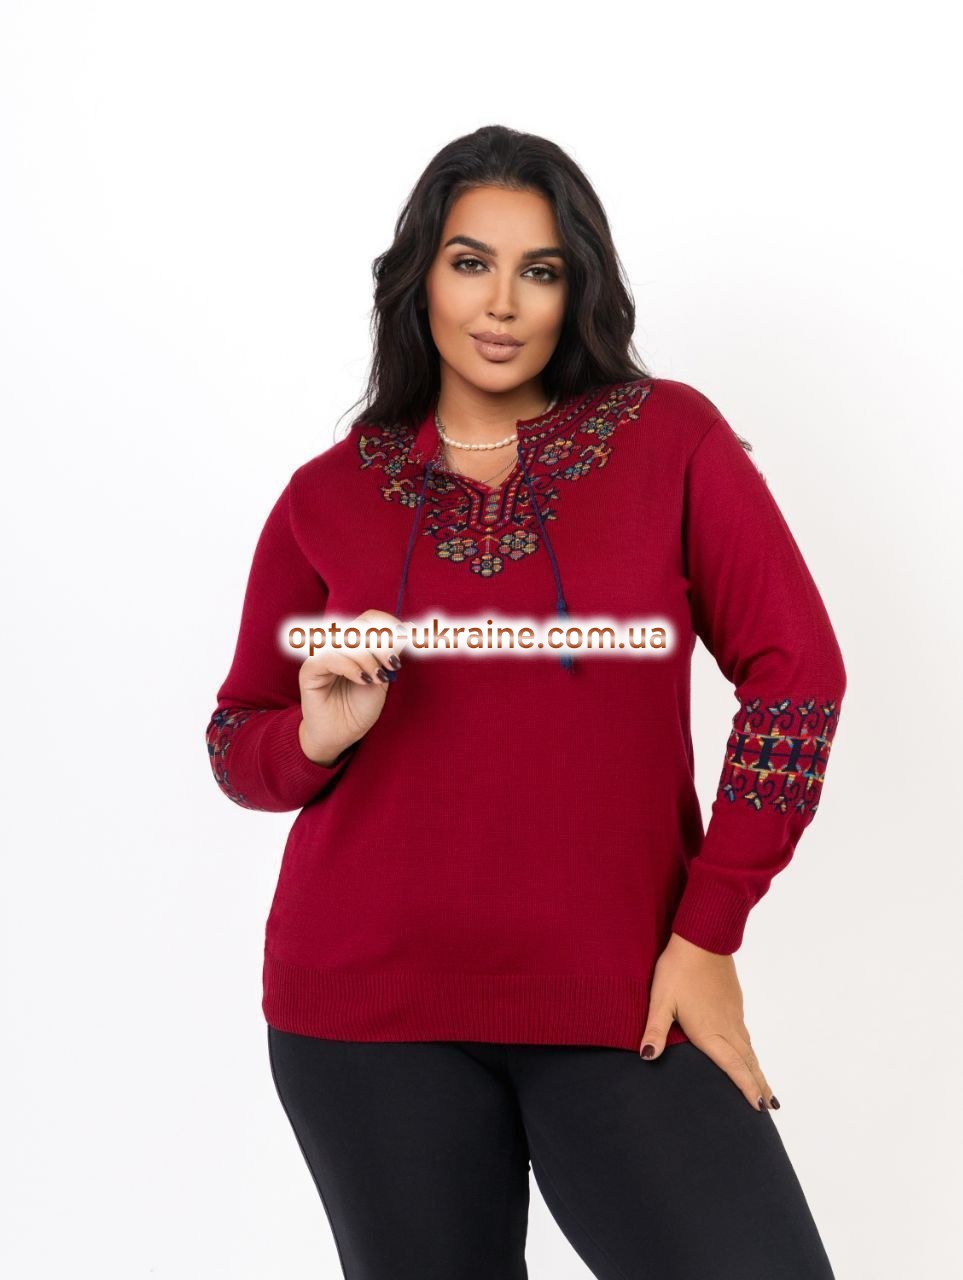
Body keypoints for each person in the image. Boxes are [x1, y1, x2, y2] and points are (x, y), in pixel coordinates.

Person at [205, 124, 846, 1279]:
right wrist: (315, 733)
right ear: (420, 278)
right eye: (470, 262)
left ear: (576, 288)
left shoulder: (671, 441)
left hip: (627, 999)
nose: (501, 302)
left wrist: (708, 929)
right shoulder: (328, 495)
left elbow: (798, 678)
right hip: (364, 1017)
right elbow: (233, 739)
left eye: (538, 270)